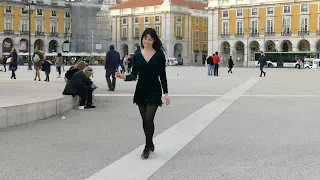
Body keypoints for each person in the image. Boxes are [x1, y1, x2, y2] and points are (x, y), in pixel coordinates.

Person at [116, 28, 171, 159]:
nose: (147, 41)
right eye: (145, 38)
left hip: (154, 90)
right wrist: (124, 77)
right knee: (144, 120)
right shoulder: (137, 56)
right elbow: (134, 75)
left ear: (154, 40)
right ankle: (150, 142)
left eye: (150, 39)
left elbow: (162, 75)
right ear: (142, 39)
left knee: (148, 119)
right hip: (141, 90)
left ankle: (147, 146)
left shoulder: (159, 55)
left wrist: (166, 93)